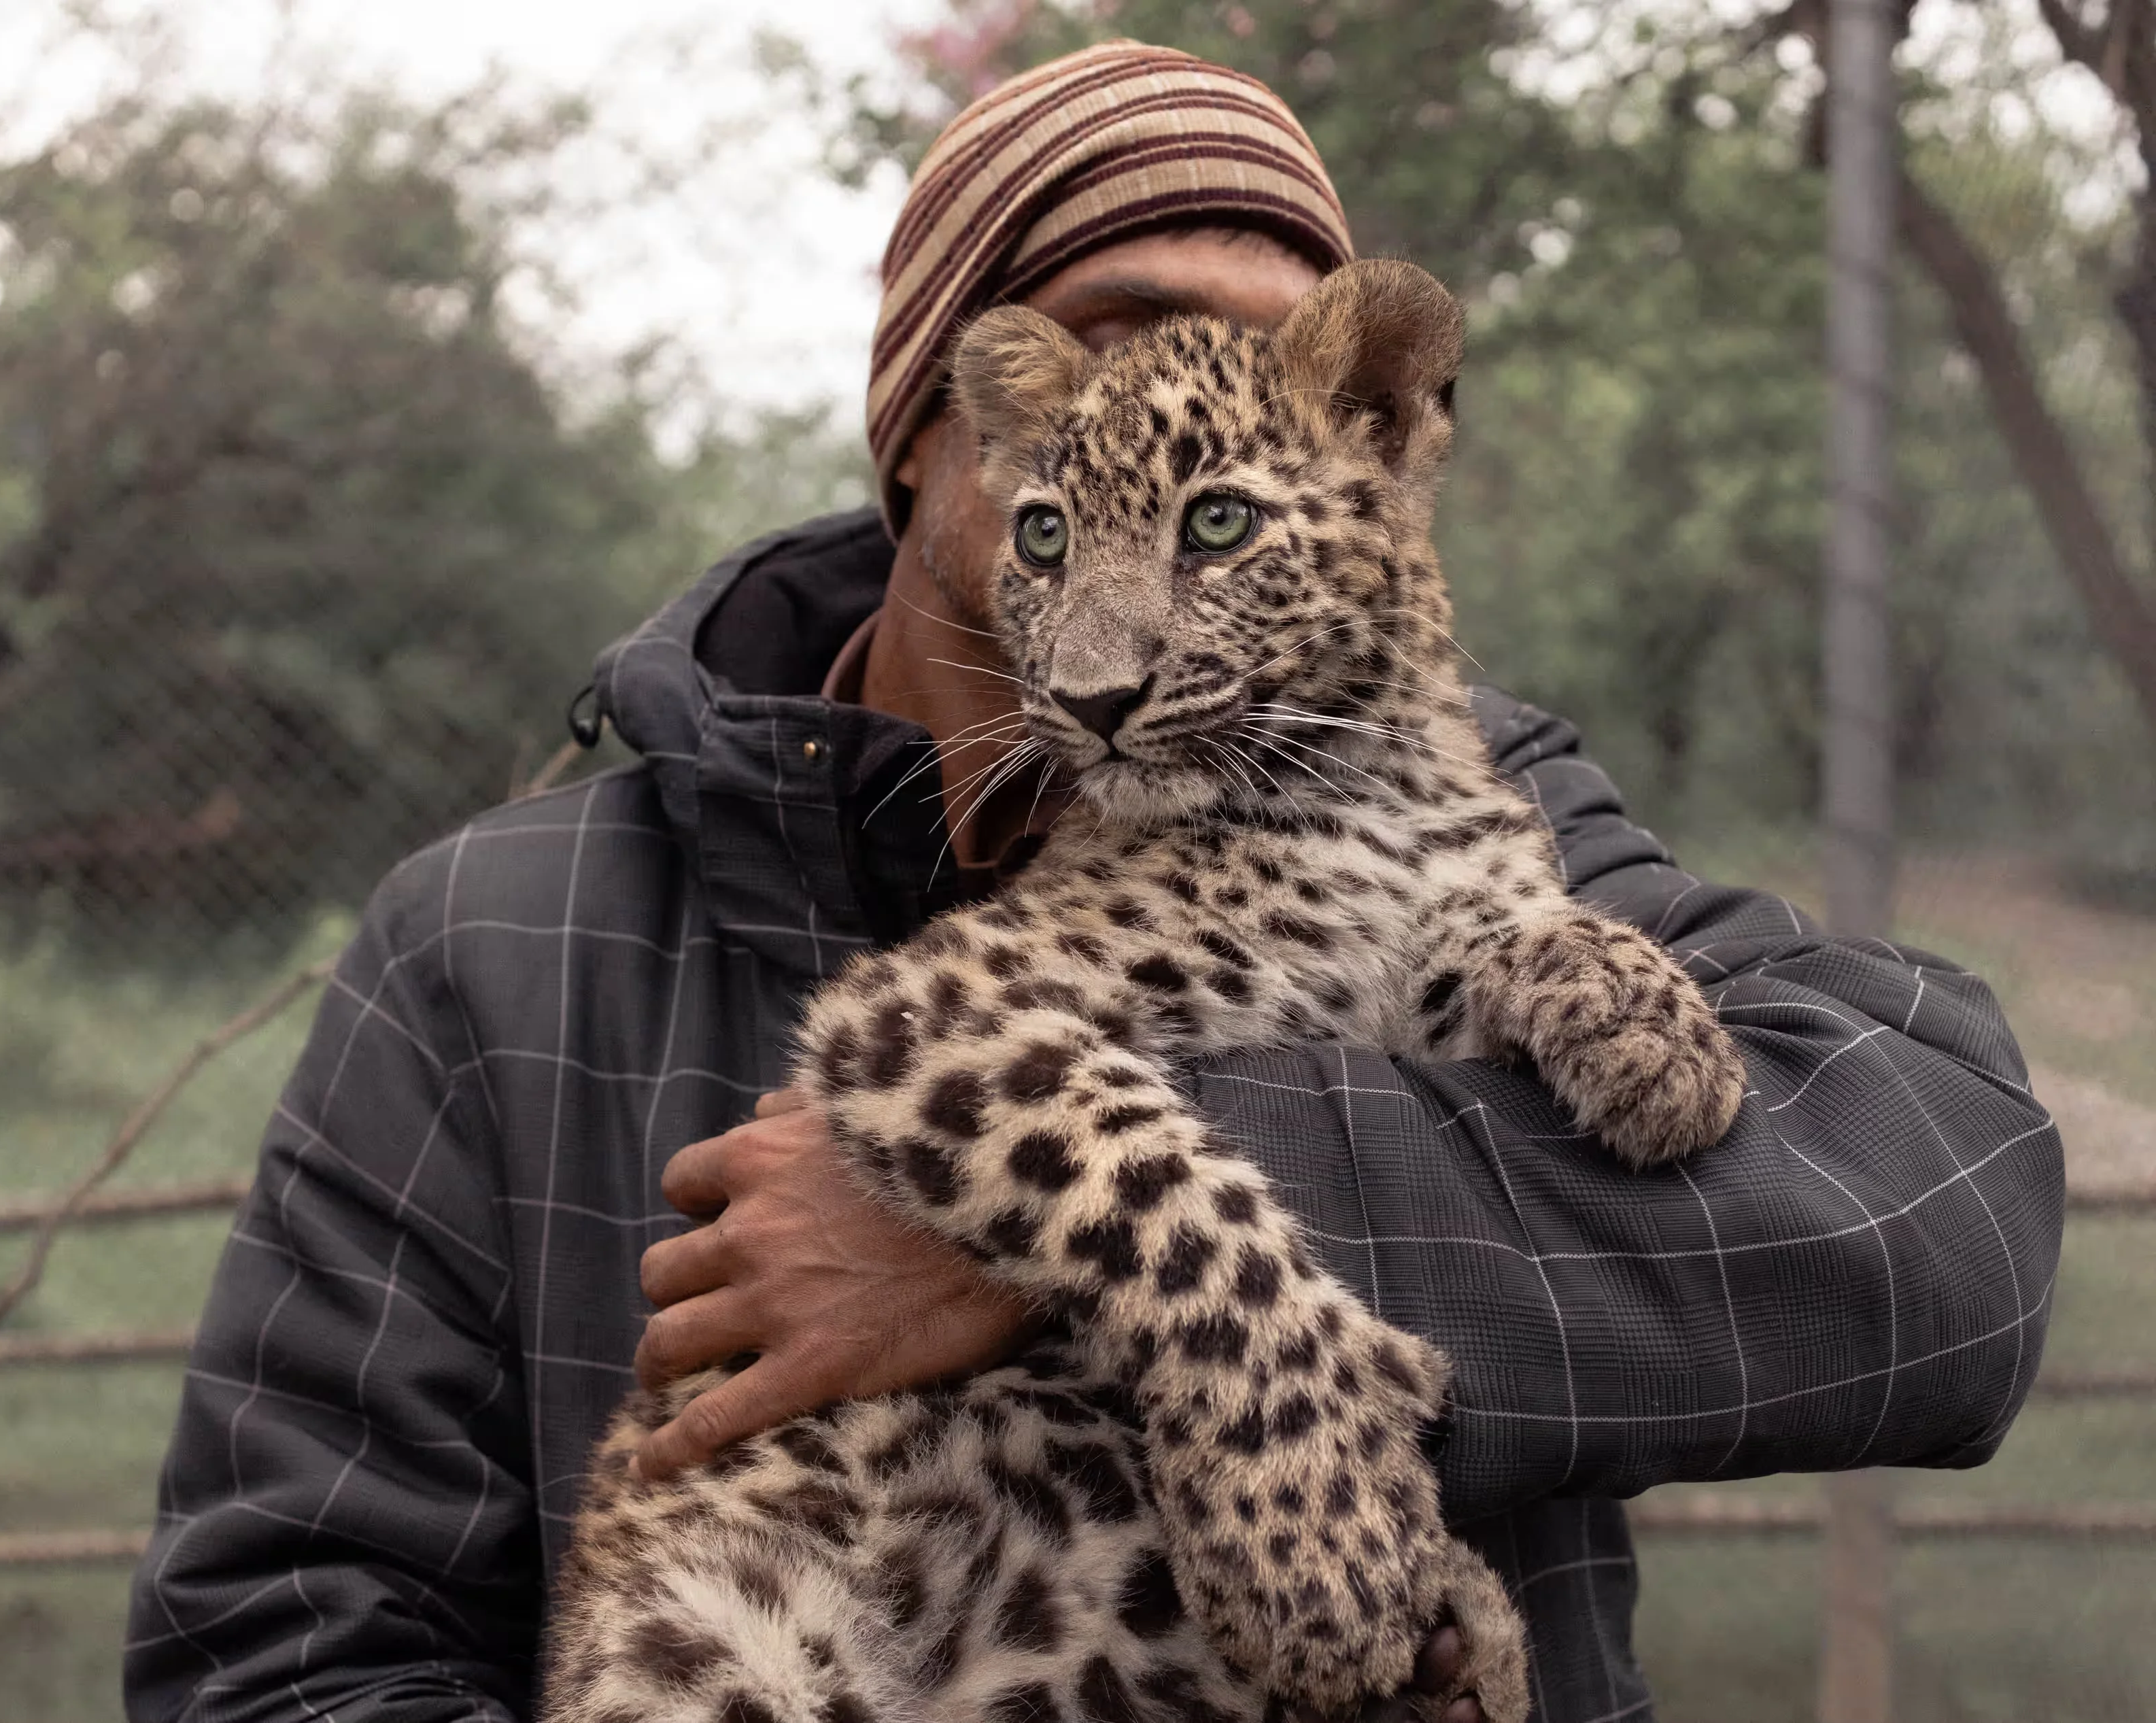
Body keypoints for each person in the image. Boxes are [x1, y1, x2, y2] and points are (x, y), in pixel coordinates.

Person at [125, 41, 2062, 1723]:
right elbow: (281, 1644)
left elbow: (1948, 1217)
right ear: (929, 440)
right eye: (1100, 368)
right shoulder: (498, 944)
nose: (1150, 420)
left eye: (1234, 440)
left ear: (1375, 452)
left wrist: (1108, 1240)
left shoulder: (1498, 805)